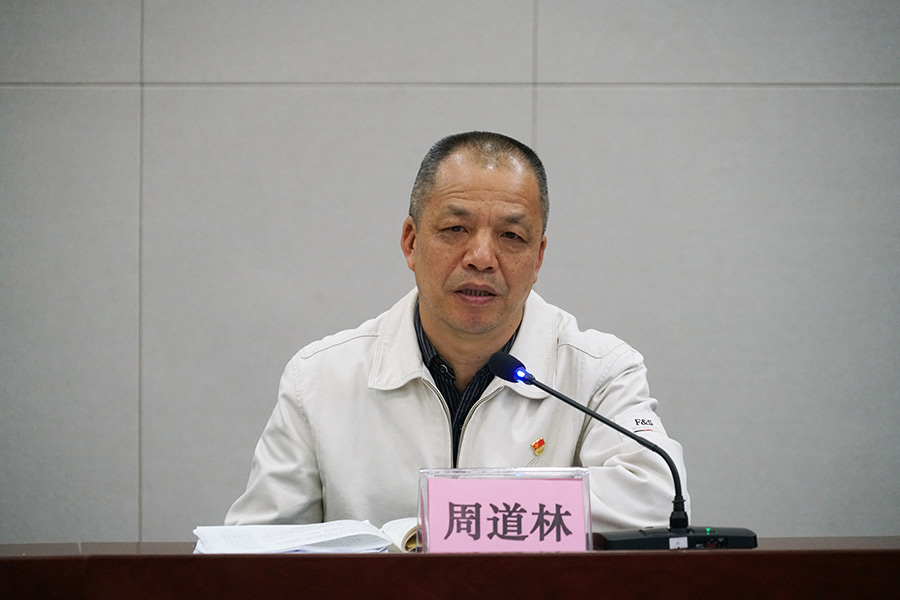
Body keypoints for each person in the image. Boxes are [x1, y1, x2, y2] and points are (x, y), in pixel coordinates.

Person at [225, 131, 688, 531]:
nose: (481, 258)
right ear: (411, 242)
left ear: (538, 258)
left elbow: (655, 498)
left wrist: (462, 511)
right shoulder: (320, 379)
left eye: (511, 236)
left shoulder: (598, 372)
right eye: (455, 228)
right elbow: (255, 550)